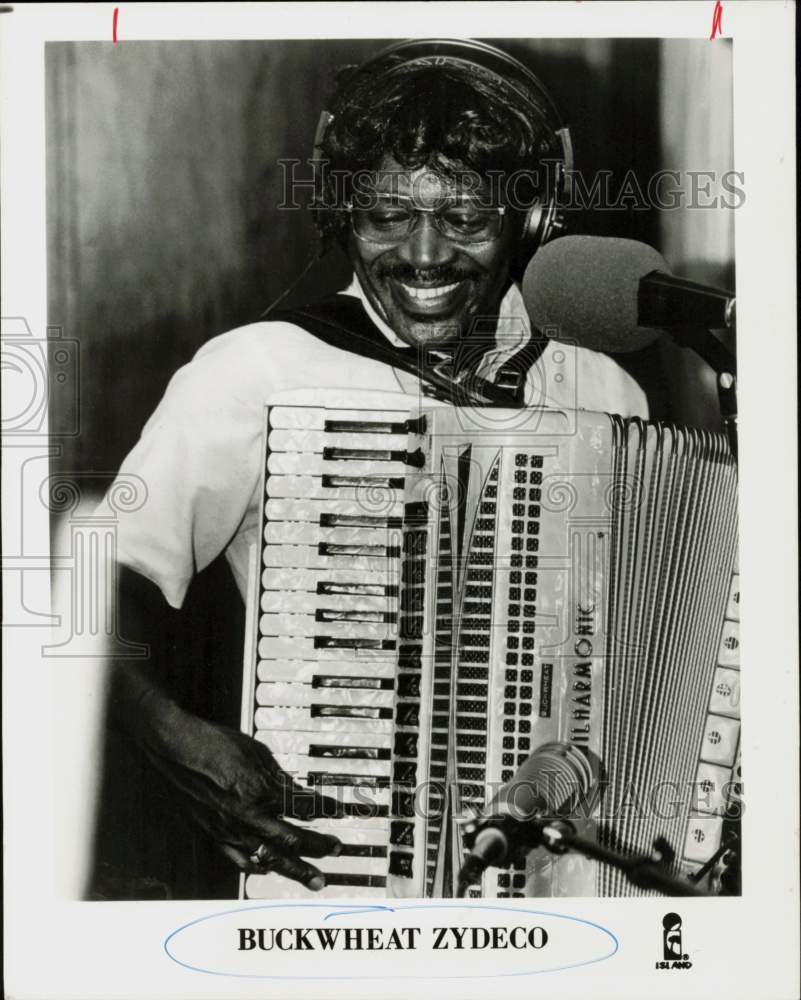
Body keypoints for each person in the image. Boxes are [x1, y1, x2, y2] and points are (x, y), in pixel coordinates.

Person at [104, 39, 647, 897]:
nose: (422, 256)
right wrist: (172, 738)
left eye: (465, 218)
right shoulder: (257, 372)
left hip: (567, 876)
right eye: (384, 216)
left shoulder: (601, 386)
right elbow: (90, 589)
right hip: (340, 875)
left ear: (532, 218)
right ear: (339, 215)